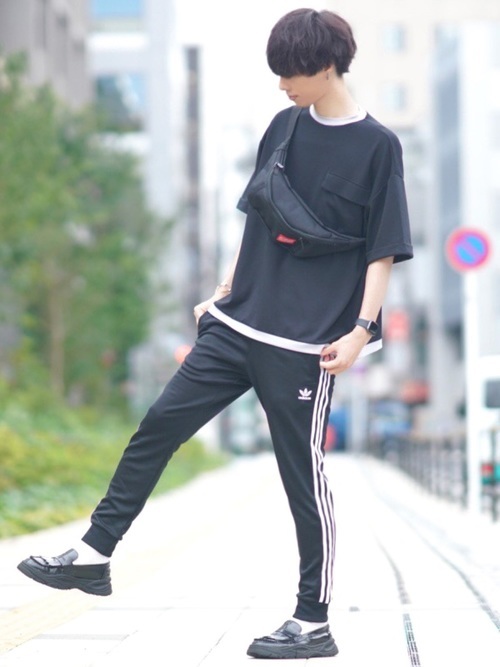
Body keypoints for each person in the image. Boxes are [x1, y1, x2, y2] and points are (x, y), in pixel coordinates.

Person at [17, 8, 413, 660]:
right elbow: (260, 214)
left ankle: (312, 620)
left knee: (302, 478)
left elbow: (383, 249)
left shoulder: (378, 146)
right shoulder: (283, 126)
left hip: (305, 344)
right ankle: (94, 553)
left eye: (290, 73)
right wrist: (225, 290)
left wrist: (360, 330)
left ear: (325, 66)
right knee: (159, 424)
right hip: (238, 323)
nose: (282, 85)